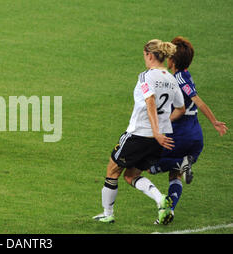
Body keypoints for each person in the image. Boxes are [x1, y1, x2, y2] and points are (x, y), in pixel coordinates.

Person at [92, 39, 186, 224]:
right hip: (158, 140)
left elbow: (150, 100)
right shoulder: (171, 78)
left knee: (113, 169)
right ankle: (161, 200)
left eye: (144, 55)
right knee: (131, 175)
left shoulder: (146, 76)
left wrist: (156, 129)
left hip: (139, 134)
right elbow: (181, 108)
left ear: (149, 55)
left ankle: (107, 213)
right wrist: (161, 128)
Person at [148, 36, 228, 223]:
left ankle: (179, 162)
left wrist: (215, 121)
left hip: (179, 135)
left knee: (149, 168)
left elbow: (196, 101)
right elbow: (195, 100)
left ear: (172, 60)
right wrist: (213, 123)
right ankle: (169, 211)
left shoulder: (177, 78)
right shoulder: (187, 75)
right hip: (195, 136)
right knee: (175, 176)